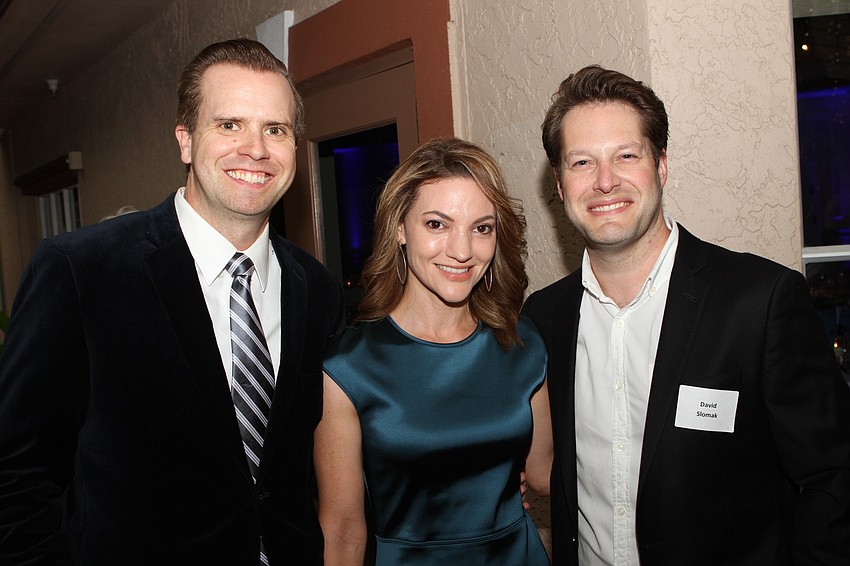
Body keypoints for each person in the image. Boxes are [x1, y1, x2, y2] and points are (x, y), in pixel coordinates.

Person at [0, 38, 342, 565]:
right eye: (229, 124)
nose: (255, 148)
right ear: (185, 140)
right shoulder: (80, 271)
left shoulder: (315, 289)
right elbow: (17, 478)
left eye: (275, 129)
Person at [522, 64, 850, 566]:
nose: (605, 182)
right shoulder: (545, 317)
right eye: (582, 162)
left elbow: (835, 476)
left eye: (626, 156)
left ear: (661, 166)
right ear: (561, 186)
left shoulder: (759, 302)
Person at [315, 137, 553, 565]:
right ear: (400, 229)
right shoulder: (347, 367)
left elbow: (544, 474)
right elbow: (343, 532)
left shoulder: (522, 343)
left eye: (482, 228)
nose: (462, 251)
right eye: (437, 224)